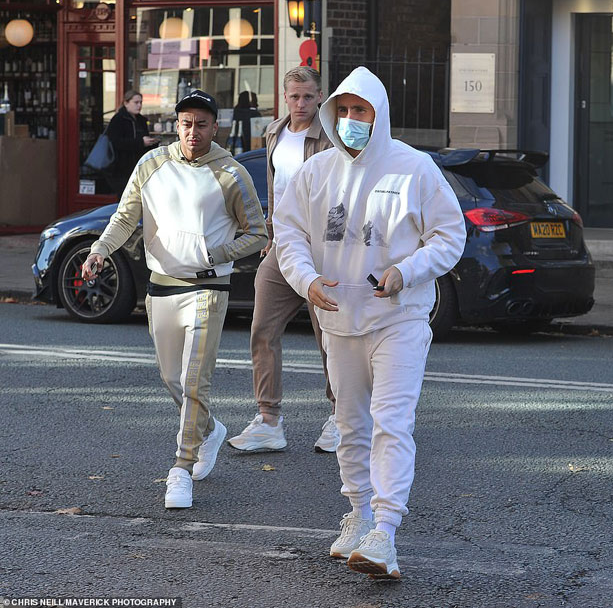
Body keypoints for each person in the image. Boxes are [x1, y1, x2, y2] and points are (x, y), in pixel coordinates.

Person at [273, 66, 466, 579]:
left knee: (391, 422)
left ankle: (385, 531)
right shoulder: (317, 173)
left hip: (398, 318)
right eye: (345, 111)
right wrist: (305, 279)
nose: (352, 119)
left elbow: (449, 236)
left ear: (379, 115)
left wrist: (407, 272)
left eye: (362, 111)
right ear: (332, 114)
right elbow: (288, 230)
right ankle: (357, 514)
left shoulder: (415, 167)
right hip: (338, 321)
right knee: (350, 425)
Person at [81, 90, 267, 509]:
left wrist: (212, 256)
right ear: (176, 125)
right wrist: (99, 251)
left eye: (202, 124)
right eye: (186, 123)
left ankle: (180, 469)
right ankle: (210, 429)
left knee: (194, 381)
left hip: (207, 287)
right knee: (172, 380)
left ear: (214, 127)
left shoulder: (232, 173)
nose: (193, 132)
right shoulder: (151, 163)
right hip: (162, 284)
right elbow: (126, 216)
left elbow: (257, 232)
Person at [228, 66, 337, 453]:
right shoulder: (274, 132)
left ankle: (340, 417)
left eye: (309, 96)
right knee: (262, 329)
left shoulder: (331, 136)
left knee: (330, 338)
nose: (302, 103)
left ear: (320, 95)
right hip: (283, 245)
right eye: (295, 96)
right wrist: (271, 235)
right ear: (285, 96)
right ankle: (269, 420)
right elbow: (277, 190)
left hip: (322, 248)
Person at [105, 90, 159, 197]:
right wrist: (141, 142)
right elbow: (115, 142)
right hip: (121, 168)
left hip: (138, 167)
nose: (139, 105)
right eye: (136, 102)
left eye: (141, 102)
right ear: (126, 103)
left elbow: (143, 142)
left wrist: (152, 143)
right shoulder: (118, 119)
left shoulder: (141, 120)